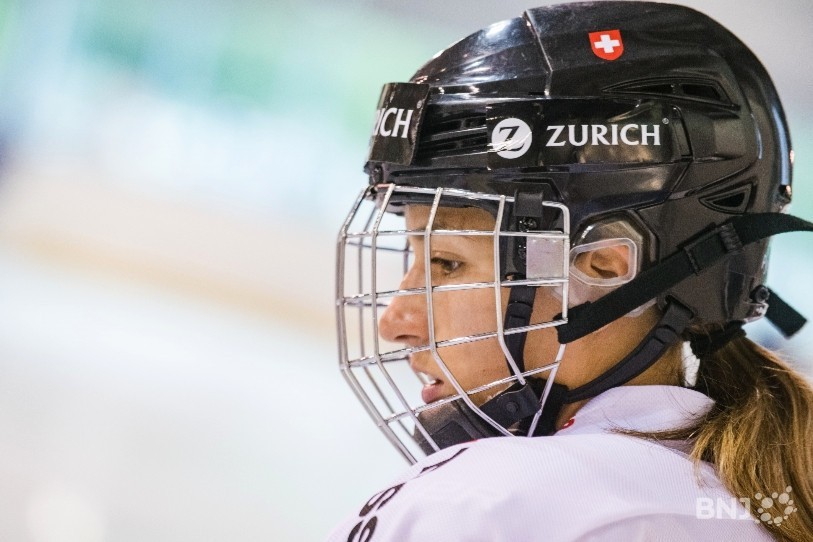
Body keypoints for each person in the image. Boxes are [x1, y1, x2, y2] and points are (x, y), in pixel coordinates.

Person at [330, 2, 813, 540]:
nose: (395, 322)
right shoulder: (755, 500)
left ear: (605, 267)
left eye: (447, 262)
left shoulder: (488, 505)